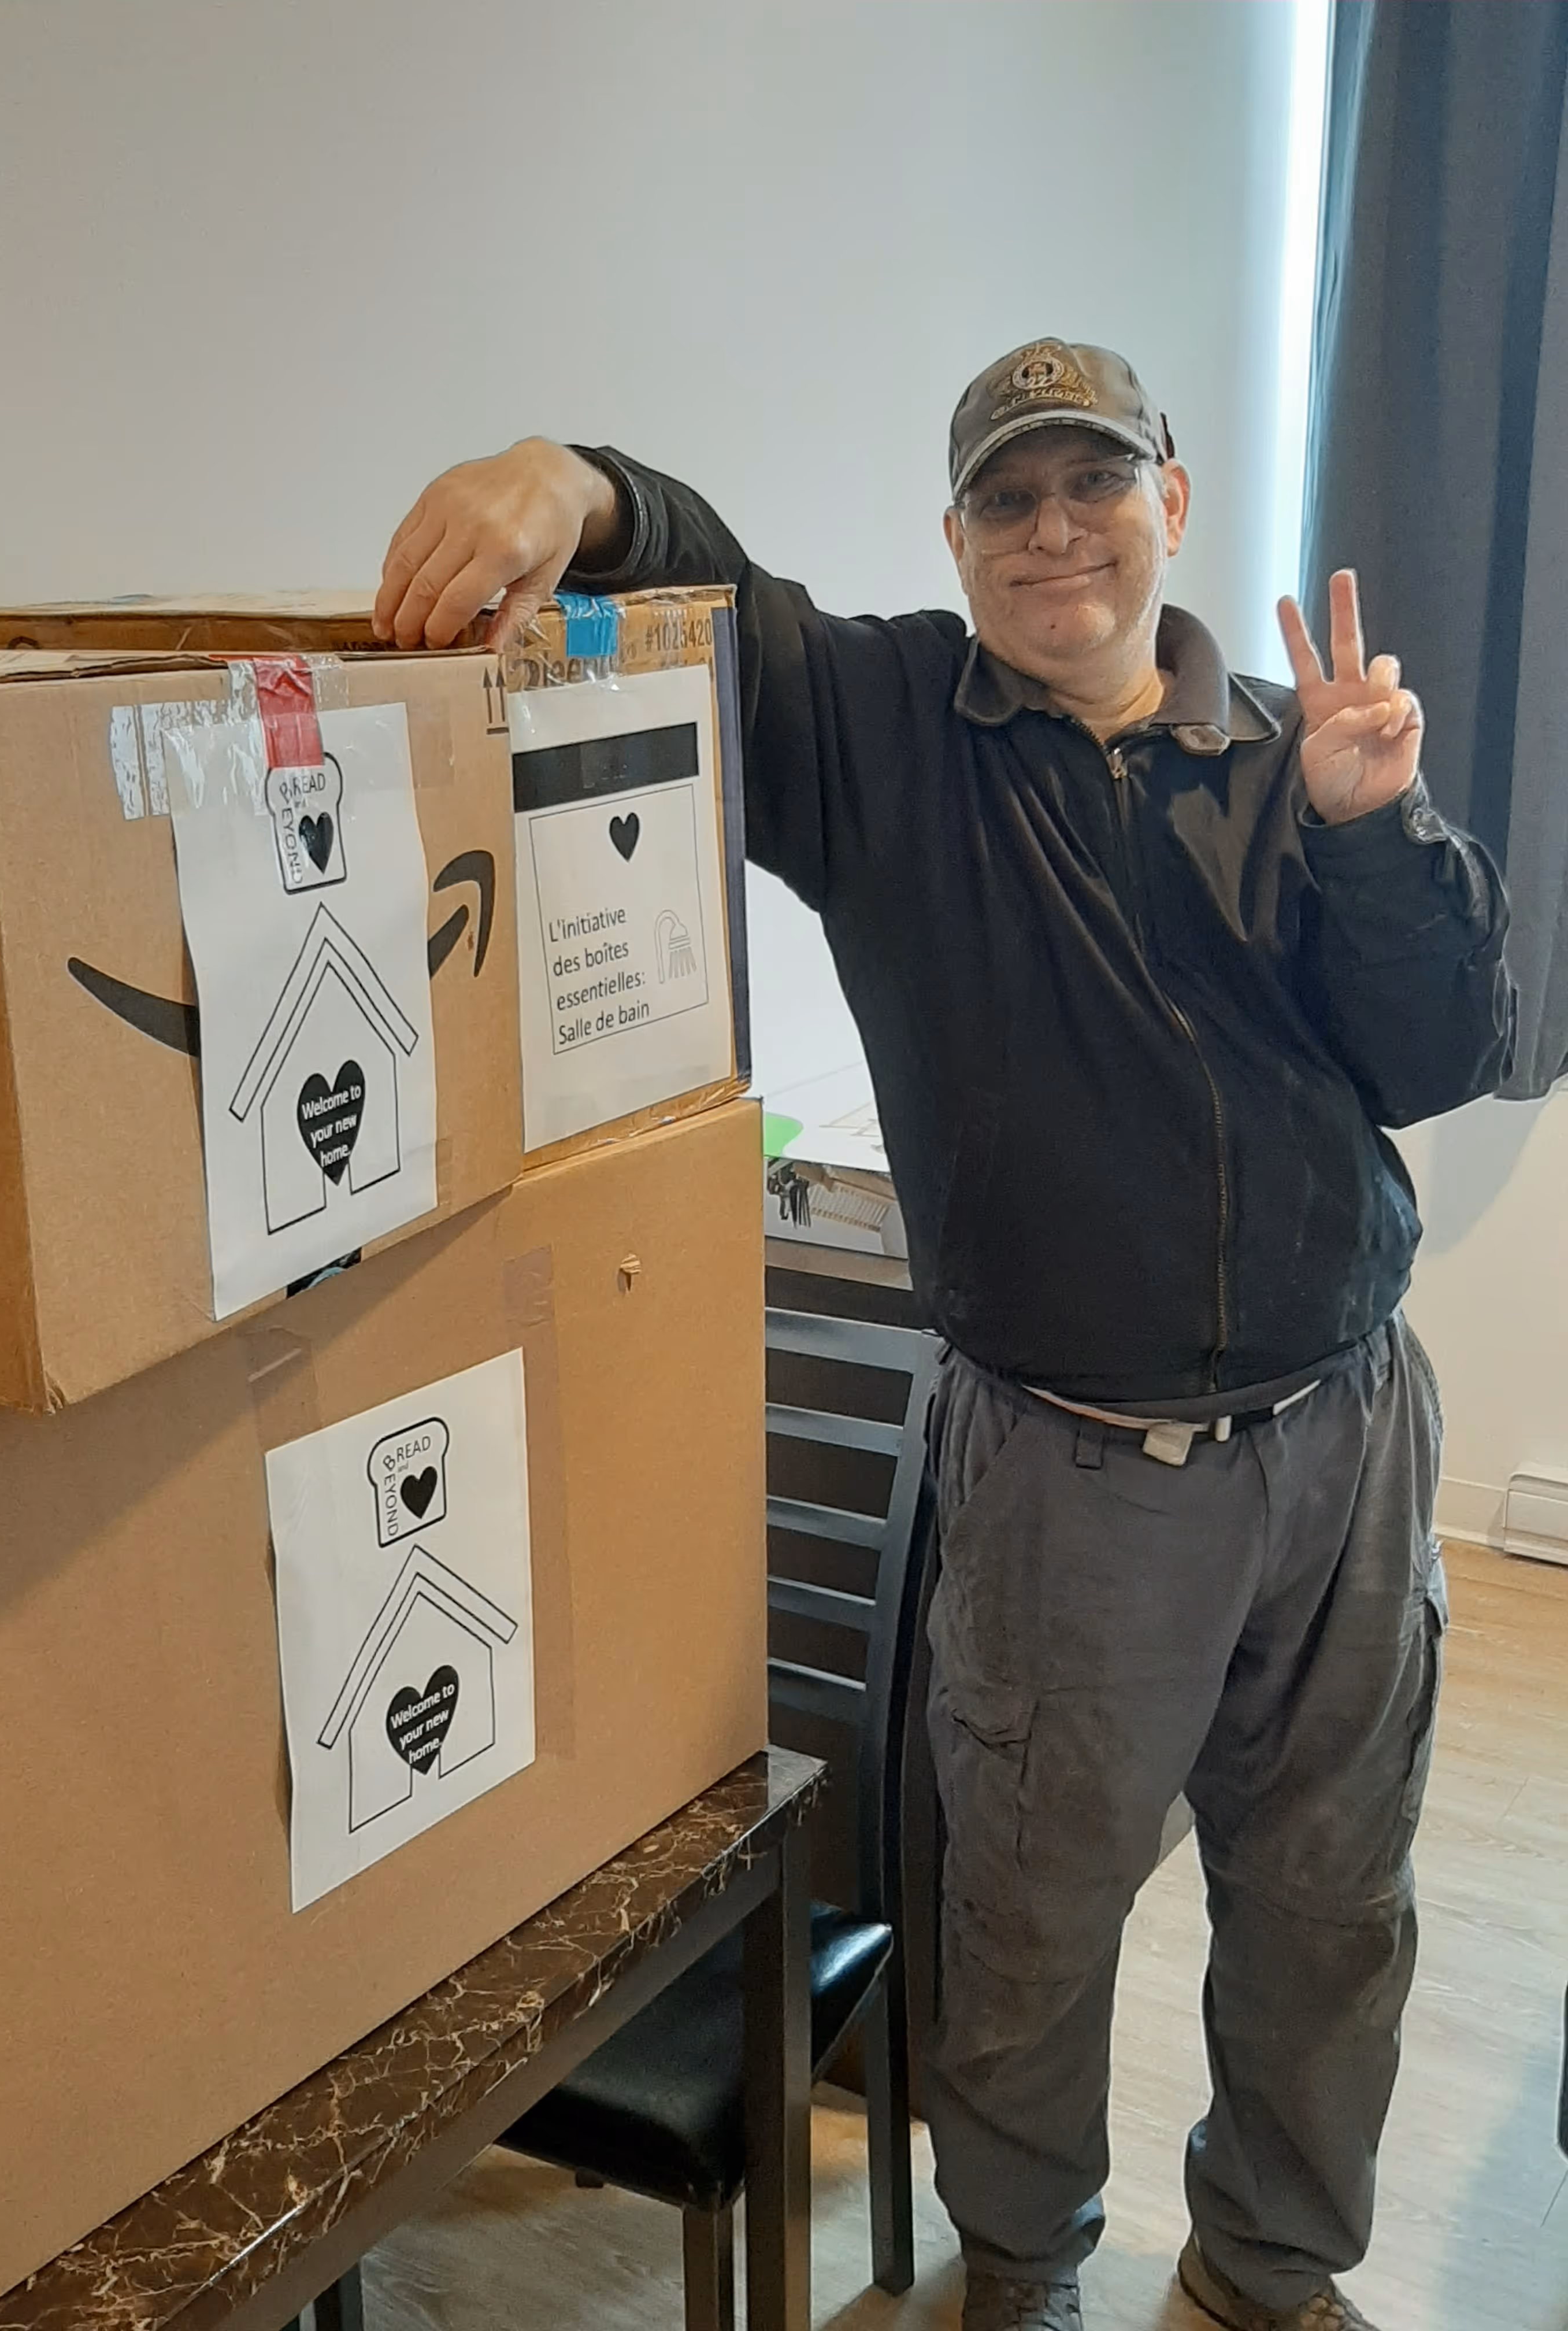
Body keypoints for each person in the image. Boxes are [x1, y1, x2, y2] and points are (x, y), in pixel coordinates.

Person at [373, 339, 1516, 2331]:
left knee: (1333, 1908)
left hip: (1347, 1441)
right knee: (1031, 1918)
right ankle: (1023, 2267)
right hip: (1079, 1477)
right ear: (962, 538)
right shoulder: (893, 732)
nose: (1057, 527)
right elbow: (724, 601)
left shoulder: (1288, 753)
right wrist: (570, 476)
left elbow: (1440, 1055)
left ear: (1175, 491)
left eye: (1095, 481)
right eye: (1011, 496)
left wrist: (1372, 831)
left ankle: (1266, 2269)